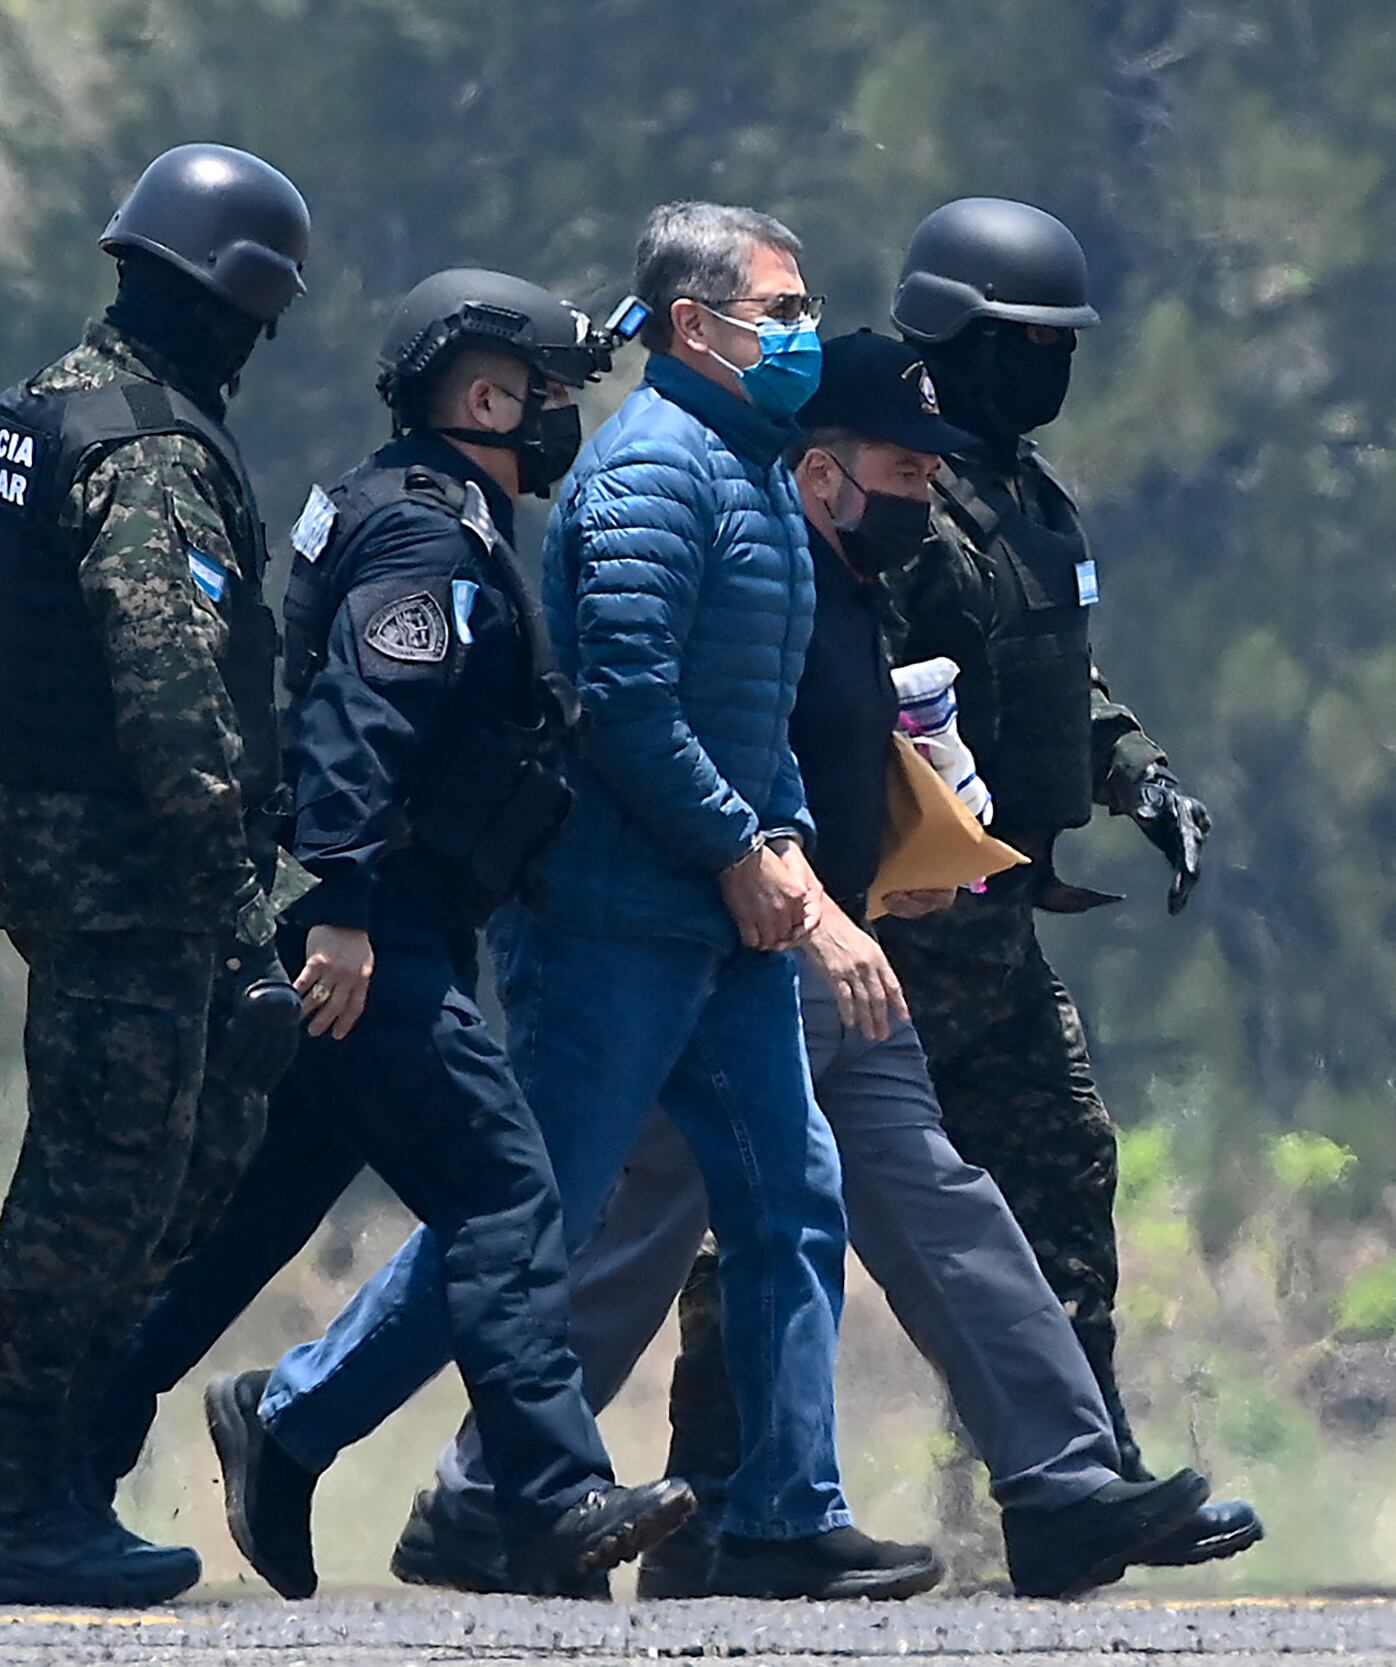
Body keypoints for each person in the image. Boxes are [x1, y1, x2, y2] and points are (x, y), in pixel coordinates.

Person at [389, 329, 1215, 1603]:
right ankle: (466, 1482)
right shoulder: (752, 567)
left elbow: (841, 767)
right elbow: (670, 747)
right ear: (823, 472)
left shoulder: (846, 583)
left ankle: (1058, 1481)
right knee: (629, 1223)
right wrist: (812, 905)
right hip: (708, 952)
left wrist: (905, 862)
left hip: (819, 947)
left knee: (924, 1190)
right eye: (902, 469)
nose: (920, 496)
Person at [245, 203, 937, 1601]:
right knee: (531, 1218)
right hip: (613, 921)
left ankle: (786, 1512)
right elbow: (625, 703)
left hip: (725, 924)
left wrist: (779, 844)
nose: (803, 334)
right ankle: (297, 1411)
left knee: (792, 1197)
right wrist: (740, 849)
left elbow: (753, 719)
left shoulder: (754, 474)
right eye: (780, 311)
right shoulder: (651, 474)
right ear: (694, 323)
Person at [81, 268, 695, 1600]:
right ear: (482, 396)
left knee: (242, 1222)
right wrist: (351, 908)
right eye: (543, 393)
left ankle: (55, 1457)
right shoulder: (426, 536)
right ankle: (554, 1495)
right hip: (370, 931)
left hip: (384, 919)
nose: (559, 417)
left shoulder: (433, 510)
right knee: (504, 1189)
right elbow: (356, 728)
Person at [0, 141, 310, 1607]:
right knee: (103, 1180)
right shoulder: (144, 447)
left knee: (160, 1162)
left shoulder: (45, 407)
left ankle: (34, 1473)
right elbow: (170, 697)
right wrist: (240, 924)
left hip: (77, 857)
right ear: (230, 303)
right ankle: (21, 1493)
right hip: (131, 874)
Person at [881, 195, 1259, 1567]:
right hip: (892, 924)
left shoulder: (1031, 500)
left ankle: (1079, 1487)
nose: (1047, 364)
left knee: (1063, 1166)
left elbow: (1054, 676)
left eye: (1062, 342)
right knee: (779, 1208)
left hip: (998, 921)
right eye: (1021, 339)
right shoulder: (898, 492)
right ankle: (726, 1494)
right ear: (949, 337)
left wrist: (1141, 776)